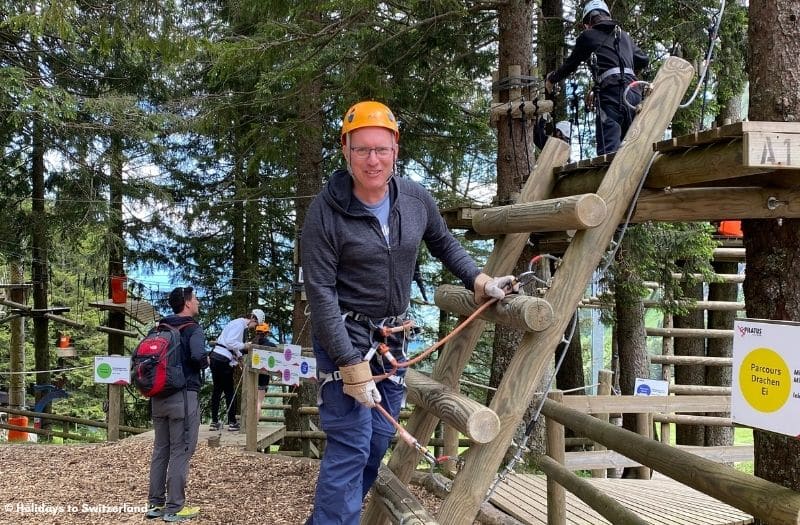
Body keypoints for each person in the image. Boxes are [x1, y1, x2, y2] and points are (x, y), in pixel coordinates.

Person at [300, 100, 517, 524]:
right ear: (345, 150)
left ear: (396, 148)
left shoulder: (414, 198)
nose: (372, 160)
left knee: (379, 438)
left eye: (381, 149)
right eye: (361, 149)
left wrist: (481, 281)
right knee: (351, 442)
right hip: (345, 336)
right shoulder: (324, 213)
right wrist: (348, 365)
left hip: (392, 338)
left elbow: (444, 243)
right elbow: (321, 293)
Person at [544, 0, 649, 155]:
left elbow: (570, 65)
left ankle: (609, 177)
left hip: (610, 96)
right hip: (634, 94)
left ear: (587, 23)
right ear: (607, 15)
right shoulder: (624, 36)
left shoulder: (587, 36)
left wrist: (552, 79)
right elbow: (643, 59)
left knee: (609, 150)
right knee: (632, 148)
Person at [145, 286, 207, 522]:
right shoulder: (193, 329)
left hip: (158, 396)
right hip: (183, 397)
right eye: (196, 298)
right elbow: (198, 357)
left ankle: (155, 505)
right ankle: (175, 508)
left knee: (161, 450)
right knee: (181, 450)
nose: (198, 302)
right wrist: (208, 359)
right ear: (188, 303)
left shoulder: (158, 329)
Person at [208, 308, 265, 431]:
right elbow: (231, 342)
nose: (253, 327)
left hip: (215, 356)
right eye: (255, 324)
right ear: (253, 319)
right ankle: (232, 422)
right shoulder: (239, 325)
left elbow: (231, 343)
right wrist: (246, 345)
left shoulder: (235, 323)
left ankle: (214, 421)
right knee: (229, 391)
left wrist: (239, 357)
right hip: (223, 360)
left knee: (217, 390)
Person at [250, 322, 276, 416]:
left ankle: (249, 425)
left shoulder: (250, 344)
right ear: (266, 333)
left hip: (250, 377)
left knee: (251, 402)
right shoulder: (271, 346)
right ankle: (254, 427)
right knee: (258, 403)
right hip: (263, 377)